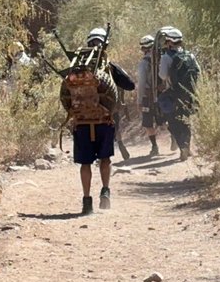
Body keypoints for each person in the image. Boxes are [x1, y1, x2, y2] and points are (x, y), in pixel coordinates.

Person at [60, 28, 135, 215]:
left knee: (85, 164)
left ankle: (86, 201)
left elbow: (64, 97)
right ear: (105, 44)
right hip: (106, 122)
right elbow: (130, 85)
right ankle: (105, 192)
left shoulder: (74, 70)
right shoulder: (109, 67)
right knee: (105, 159)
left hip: (81, 123)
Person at [156, 27, 200, 162]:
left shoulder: (166, 57)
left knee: (173, 122)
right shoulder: (190, 55)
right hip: (189, 93)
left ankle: (183, 147)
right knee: (186, 121)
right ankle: (187, 146)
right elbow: (198, 71)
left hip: (173, 93)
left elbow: (162, 75)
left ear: (170, 42)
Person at [136, 34, 162, 157]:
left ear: (143, 48)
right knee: (167, 118)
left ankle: (154, 147)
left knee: (148, 123)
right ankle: (174, 138)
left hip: (148, 96)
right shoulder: (163, 58)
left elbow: (141, 83)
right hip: (163, 94)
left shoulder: (143, 63)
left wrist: (139, 100)